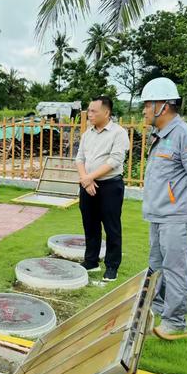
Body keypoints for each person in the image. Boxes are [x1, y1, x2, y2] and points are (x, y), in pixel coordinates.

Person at [141, 77, 187, 335]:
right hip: (158, 216)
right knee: (157, 268)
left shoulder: (184, 135)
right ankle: (157, 310)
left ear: (162, 106)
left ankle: (175, 322)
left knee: (177, 270)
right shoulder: (161, 136)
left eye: (147, 104)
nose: (143, 110)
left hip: (178, 218)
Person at [75, 96, 130, 282]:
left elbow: (114, 161)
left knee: (111, 226)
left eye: (93, 111)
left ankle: (112, 266)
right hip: (87, 185)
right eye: (88, 110)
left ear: (106, 112)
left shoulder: (119, 133)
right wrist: (85, 180)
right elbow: (79, 159)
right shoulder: (87, 134)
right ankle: (91, 261)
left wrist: (90, 177)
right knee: (90, 224)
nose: (89, 114)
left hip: (109, 185)